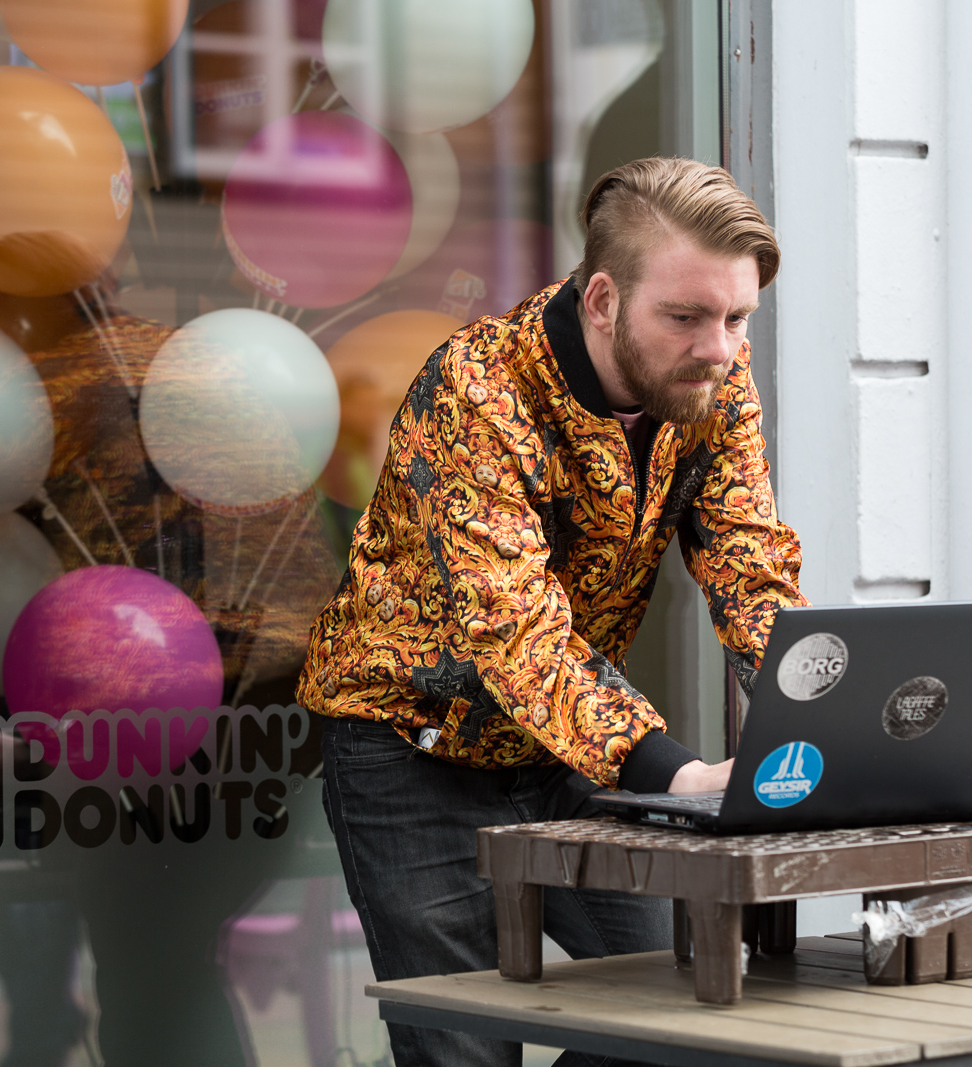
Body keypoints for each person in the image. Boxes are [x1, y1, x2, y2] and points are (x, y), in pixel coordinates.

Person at [298, 157, 809, 1067]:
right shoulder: (478, 390)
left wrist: (813, 710)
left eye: (738, 318)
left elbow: (750, 567)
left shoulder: (713, 385)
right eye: (687, 316)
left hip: (564, 747)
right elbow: (517, 633)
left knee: (692, 1011)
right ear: (604, 299)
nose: (720, 348)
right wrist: (675, 775)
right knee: (463, 1049)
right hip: (412, 747)